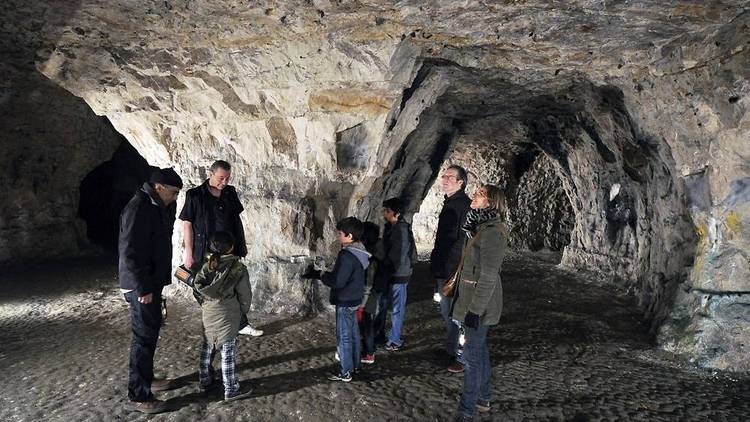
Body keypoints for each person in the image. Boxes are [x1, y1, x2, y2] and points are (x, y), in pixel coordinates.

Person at [119, 167, 182, 414]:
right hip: (139, 286)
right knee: (143, 337)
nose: (175, 197)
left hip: (148, 283)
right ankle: (139, 394)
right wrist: (143, 286)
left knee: (150, 332)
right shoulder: (139, 208)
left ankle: (148, 379)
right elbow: (130, 252)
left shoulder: (153, 206)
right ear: (159, 187)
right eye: (174, 193)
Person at [180, 160, 263, 337]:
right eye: (221, 178)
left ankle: (241, 324)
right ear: (210, 173)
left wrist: (239, 247)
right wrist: (189, 254)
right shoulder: (194, 195)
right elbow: (187, 224)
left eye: (227, 178)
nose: (224, 182)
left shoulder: (230, 192)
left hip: (228, 250)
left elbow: (235, 221)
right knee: (203, 287)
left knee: (232, 286)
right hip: (204, 251)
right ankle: (215, 320)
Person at [450, 184, 508, 422]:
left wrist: (475, 311)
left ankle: (466, 410)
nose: (475, 195)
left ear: (491, 203)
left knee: (472, 358)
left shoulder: (492, 232)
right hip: (472, 301)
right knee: (479, 351)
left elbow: (489, 275)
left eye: (480, 194)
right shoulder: (478, 227)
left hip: (480, 305)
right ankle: (483, 398)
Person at [303, 217, 370, 382]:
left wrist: (320, 274)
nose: (337, 236)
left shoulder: (347, 255)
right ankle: (355, 366)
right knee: (353, 334)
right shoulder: (361, 252)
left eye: (340, 233)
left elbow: (337, 281)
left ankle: (345, 371)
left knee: (345, 336)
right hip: (355, 299)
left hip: (345, 301)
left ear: (349, 236)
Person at [192, 231, 255, 402]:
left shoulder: (207, 267)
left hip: (209, 312)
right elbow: (245, 295)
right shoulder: (238, 268)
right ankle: (231, 389)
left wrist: (206, 305)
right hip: (228, 314)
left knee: (208, 346)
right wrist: (243, 310)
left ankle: (204, 380)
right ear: (232, 247)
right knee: (227, 351)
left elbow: (197, 289)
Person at [431, 165, 471, 373]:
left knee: (454, 312)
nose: (444, 179)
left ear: (460, 183)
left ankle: (460, 355)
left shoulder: (463, 205)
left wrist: (450, 269)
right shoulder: (451, 203)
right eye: (444, 175)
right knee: (447, 311)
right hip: (444, 267)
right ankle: (450, 348)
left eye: (450, 177)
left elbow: (460, 241)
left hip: (451, 270)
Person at [374, 197, 416, 352]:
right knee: (383, 305)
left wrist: (389, 270)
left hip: (398, 275)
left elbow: (400, 254)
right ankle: (379, 334)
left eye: (388, 211)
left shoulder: (401, 230)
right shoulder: (390, 227)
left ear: (397, 214)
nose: (385, 213)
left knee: (397, 307)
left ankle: (395, 339)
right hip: (389, 273)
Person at [360, 221, 384, 364]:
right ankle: (369, 351)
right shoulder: (378, 249)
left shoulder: (370, 256)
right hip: (374, 293)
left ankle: (369, 353)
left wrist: (362, 300)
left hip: (368, 295)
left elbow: (368, 281)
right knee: (367, 323)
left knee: (366, 324)